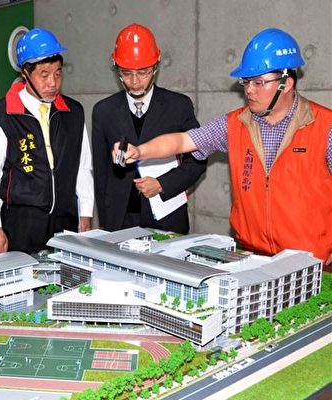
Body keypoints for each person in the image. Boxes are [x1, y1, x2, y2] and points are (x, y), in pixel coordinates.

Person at [116, 28, 332, 266]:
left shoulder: (325, 127)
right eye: (246, 81)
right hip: (251, 257)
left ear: (286, 83)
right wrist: (140, 151)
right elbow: (183, 141)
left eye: (258, 82)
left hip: (310, 262)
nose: (249, 90)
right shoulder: (235, 124)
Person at [0, 28, 94, 254]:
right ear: (25, 73)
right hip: (21, 223)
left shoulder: (73, 113)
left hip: (65, 219)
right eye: (44, 75)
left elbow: (83, 167)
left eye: (58, 74)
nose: (52, 83)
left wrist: (85, 213)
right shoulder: (2, 116)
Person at [93, 23, 206, 234]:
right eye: (126, 73)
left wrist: (162, 184)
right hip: (120, 219)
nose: (135, 81)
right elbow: (101, 173)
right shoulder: (104, 111)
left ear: (155, 66)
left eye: (143, 72)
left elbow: (197, 160)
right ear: (116, 69)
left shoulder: (178, 106)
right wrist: (106, 224)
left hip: (167, 215)